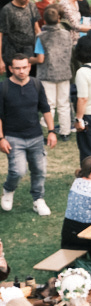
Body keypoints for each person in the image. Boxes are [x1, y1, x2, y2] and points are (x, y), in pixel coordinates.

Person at [1, 55, 57, 216]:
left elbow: (45, 109)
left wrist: (51, 132)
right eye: (17, 68)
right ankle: (8, 190)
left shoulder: (36, 84)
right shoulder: (3, 87)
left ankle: (38, 199)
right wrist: (1, 138)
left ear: (29, 67)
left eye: (24, 67)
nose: (21, 71)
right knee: (18, 171)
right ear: (11, 68)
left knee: (40, 170)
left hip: (36, 136)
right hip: (13, 137)